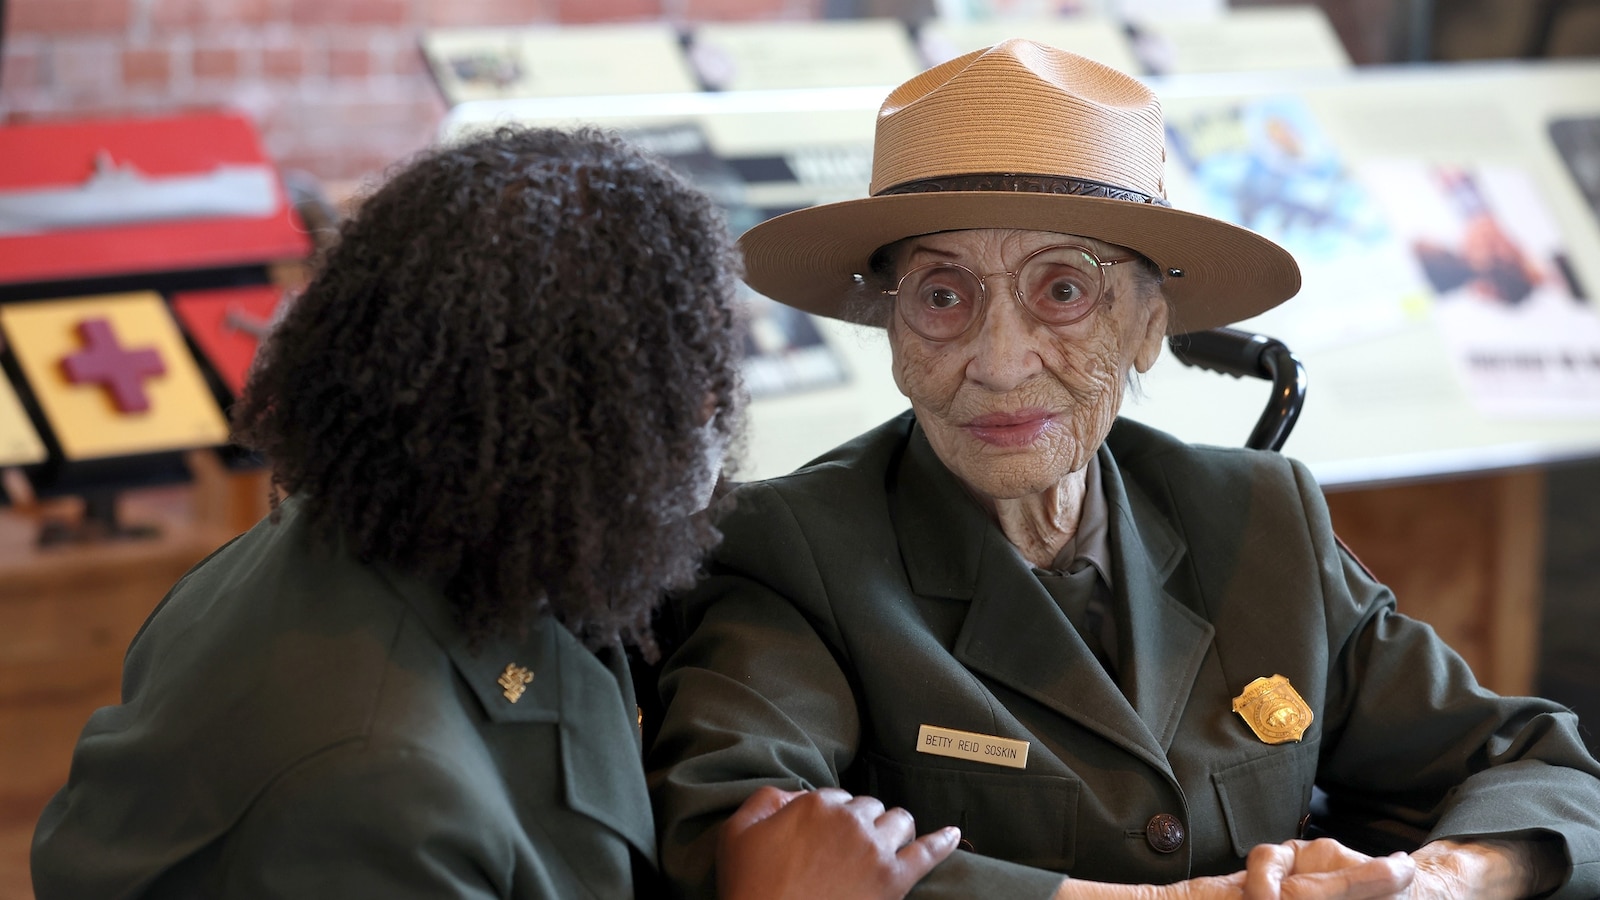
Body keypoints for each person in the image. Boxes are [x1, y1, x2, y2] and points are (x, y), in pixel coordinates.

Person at [647, 40, 1600, 899]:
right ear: (892, 328)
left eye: (1063, 289)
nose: (1001, 361)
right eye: (942, 296)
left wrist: (1443, 880)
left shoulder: (1259, 518)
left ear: (1149, 326)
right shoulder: (796, 550)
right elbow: (735, 839)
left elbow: (1542, 766)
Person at [30, 126, 956, 899]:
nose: (714, 416)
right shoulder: (374, 792)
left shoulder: (439, 530)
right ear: (548, 427)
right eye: (679, 395)